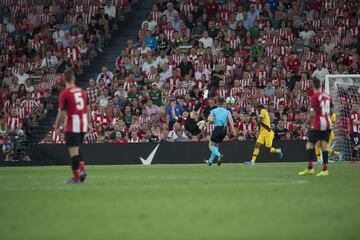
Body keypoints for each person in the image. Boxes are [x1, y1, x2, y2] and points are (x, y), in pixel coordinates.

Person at [54, 69, 89, 184]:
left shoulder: (65, 93)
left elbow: (62, 113)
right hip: (82, 123)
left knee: (73, 152)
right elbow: (87, 109)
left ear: (64, 79)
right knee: (77, 149)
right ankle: (82, 171)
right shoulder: (82, 91)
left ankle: (76, 178)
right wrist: (88, 122)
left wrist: (57, 126)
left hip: (72, 124)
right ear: (73, 78)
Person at [299, 78, 332, 177]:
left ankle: (310, 168)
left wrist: (305, 123)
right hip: (328, 123)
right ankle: (325, 170)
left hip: (319, 124)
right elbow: (332, 109)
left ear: (313, 85)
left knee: (309, 145)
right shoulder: (327, 96)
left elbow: (313, 114)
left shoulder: (314, 97)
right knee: (324, 146)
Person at [205, 98, 236, 166]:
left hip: (217, 128)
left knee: (210, 145)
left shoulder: (214, 110)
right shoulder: (227, 111)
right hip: (224, 130)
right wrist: (233, 130)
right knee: (216, 145)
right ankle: (210, 161)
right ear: (223, 104)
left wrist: (211, 121)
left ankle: (219, 155)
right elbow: (231, 121)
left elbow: (209, 119)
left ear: (217, 103)